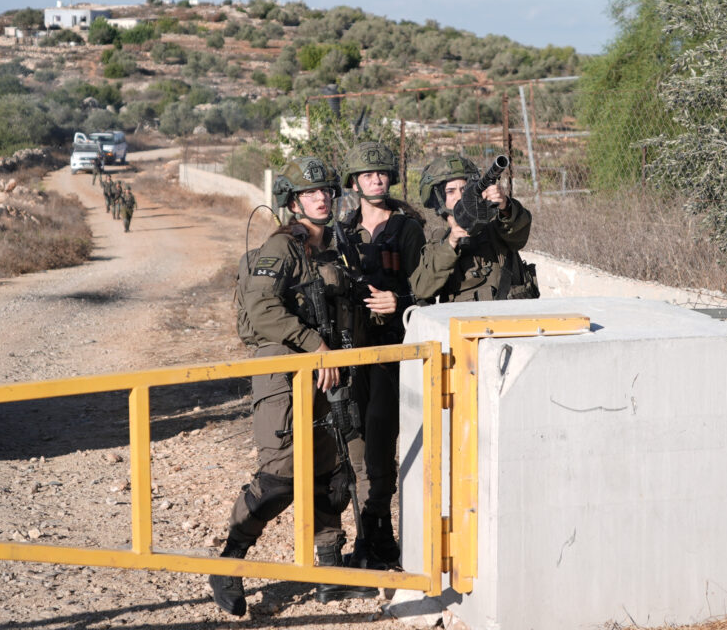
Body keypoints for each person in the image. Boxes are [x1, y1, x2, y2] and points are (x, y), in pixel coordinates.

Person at [209, 156, 375, 617]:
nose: (321, 198)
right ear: (293, 201)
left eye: (325, 191)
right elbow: (262, 309)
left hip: (331, 375)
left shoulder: (335, 248)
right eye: (309, 193)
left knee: (333, 474)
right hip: (284, 374)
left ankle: (328, 569)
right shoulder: (282, 248)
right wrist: (314, 344)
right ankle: (229, 562)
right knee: (280, 477)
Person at [335, 141, 425, 568]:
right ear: (354, 181)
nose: (375, 178)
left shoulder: (407, 229)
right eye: (367, 173)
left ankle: (373, 533)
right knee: (355, 441)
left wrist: (399, 299)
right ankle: (376, 536)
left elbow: (428, 288)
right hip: (351, 350)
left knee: (378, 438)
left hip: (392, 349)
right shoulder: (342, 230)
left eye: (382, 173)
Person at [411, 153, 534, 303]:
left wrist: (505, 205)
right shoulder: (438, 244)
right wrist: (451, 245)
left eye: (465, 189)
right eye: (450, 191)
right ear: (438, 199)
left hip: (512, 320)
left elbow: (518, 232)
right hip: (465, 324)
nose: (459, 196)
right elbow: (423, 289)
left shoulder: (497, 227)